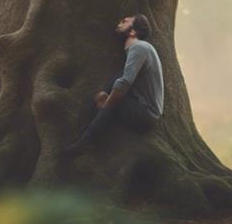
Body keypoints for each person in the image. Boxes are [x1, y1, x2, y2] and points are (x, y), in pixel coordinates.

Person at [64, 14, 164, 155]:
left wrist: (107, 102)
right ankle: (84, 138)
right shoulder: (139, 49)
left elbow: (126, 82)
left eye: (125, 21)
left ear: (133, 32)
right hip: (140, 107)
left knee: (114, 100)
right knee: (117, 80)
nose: (119, 23)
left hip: (146, 114)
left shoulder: (138, 47)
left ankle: (83, 143)